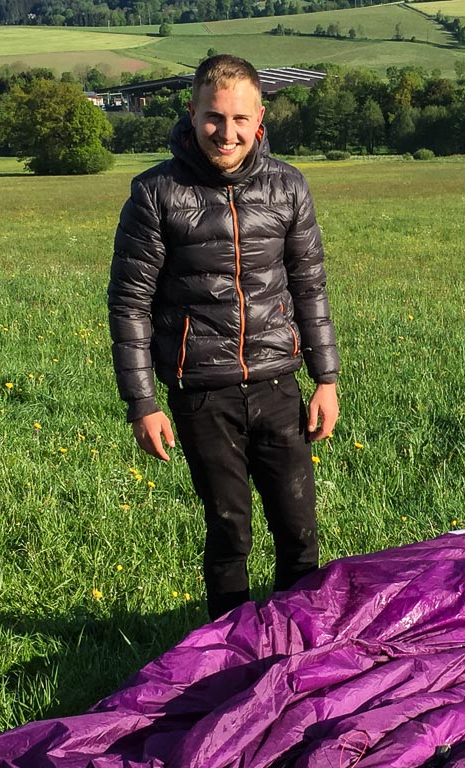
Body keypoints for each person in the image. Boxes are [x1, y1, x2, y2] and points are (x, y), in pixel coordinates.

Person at [107, 54, 339, 619]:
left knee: (299, 530)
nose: (226, 132)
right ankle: (228, 647)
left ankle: (296, 641)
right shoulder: (155, 193)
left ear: (260, 118)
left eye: (239, 118)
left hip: (278, 384)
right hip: (201, 393)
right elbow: (130, 304)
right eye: (213, 117)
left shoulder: (288, 186)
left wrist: (326, 378)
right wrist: (143, 403)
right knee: (230, 529)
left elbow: (309, 286)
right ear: (191, 113)